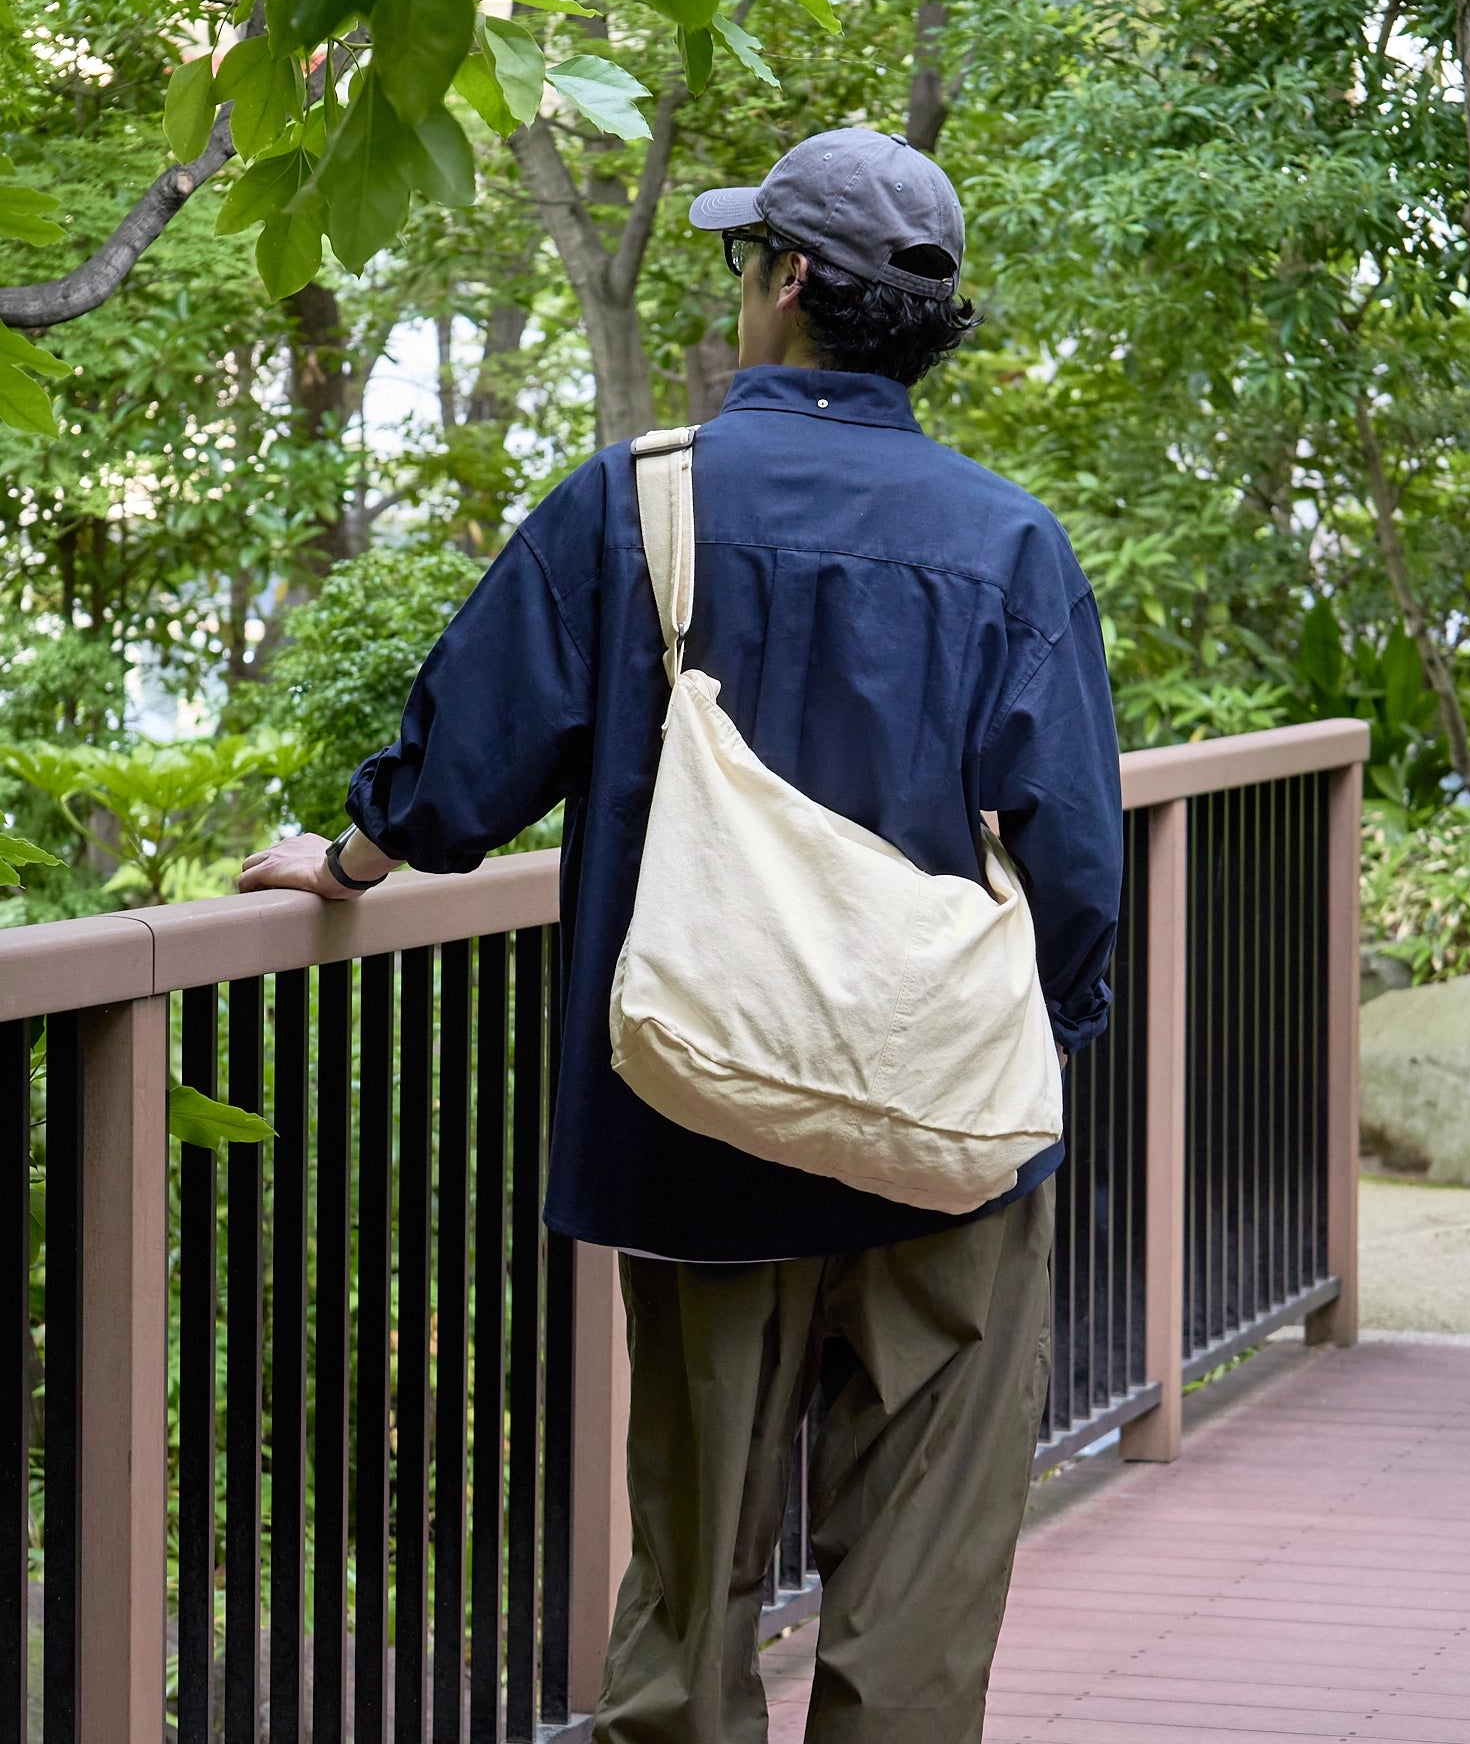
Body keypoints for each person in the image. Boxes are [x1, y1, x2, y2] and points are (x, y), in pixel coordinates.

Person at [240, 128, 1123, 1744]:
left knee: (694, 1566)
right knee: (921, 1582)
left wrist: (351, 856)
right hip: (946, 1140)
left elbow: (467, 770)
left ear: (786, 281)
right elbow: (1074, 861)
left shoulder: (638, 504)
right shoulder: (1011, 544)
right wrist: (1031, 1047)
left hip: (696, 1110)